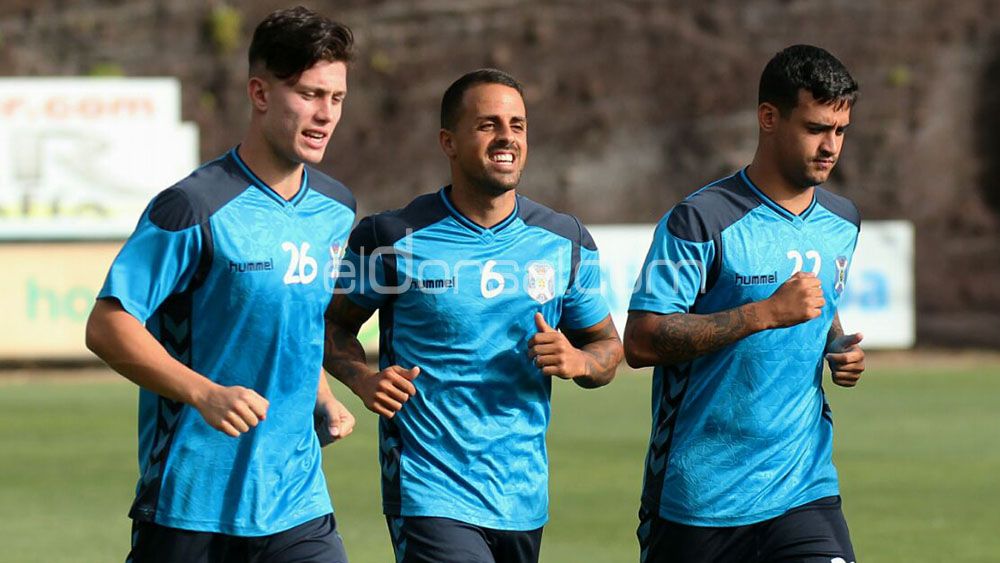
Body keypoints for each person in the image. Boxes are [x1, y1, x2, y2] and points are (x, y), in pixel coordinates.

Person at [85, 7, 358, 562]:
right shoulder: (193, 206)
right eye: (308, 94)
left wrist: (321, 394)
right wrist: (204, 393)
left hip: (297, 503)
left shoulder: (337, 208)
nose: (325, 114)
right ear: (260, 93)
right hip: (192, 507)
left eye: (336, 98)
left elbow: (295, 321)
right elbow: (107, 325)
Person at [323, 68, 624, 563]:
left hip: (522, 497)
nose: (507, 136)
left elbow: (609, 349)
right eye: (487, 124)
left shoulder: (565, 241)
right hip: (428, 489)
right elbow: (332, 326)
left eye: (518, 124)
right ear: (449, 141)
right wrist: (362, 378)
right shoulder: (390, 237)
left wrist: (579, 362)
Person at [624, 44, 866, 563]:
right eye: (816, 128)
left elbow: (818, 305)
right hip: (700, 499)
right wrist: (764, 314)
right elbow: (641, 341)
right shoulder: (700, 220)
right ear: (768, 118)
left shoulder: (843, 220)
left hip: (804, 488)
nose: (830, 147)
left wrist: (836, 343)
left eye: (840, 131)